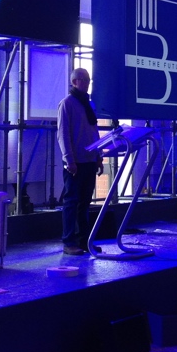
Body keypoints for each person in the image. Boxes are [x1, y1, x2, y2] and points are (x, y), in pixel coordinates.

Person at [57, 67, 102, 256]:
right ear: (74, 81)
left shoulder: (88, 104)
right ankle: (69, 242)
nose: (87, 83)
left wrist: (98, 156)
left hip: (89, 160)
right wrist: (69, 159)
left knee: (84, 204)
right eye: (84, 79)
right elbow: (63, 134)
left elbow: (94, 132)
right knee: (71, 203)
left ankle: (84, 241)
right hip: (75, 163)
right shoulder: (67, 104)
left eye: (89, 79)